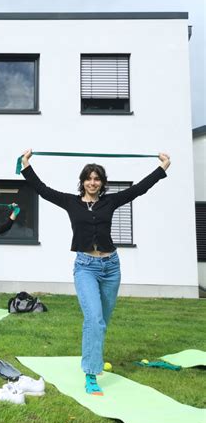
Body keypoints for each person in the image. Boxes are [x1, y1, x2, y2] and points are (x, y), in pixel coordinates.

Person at [20, 149, 170, 395]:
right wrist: (26, 166)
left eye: (97, 178)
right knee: (94, 319)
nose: (92, 182)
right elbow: (42, 190)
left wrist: (162, 167)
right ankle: (91, 374)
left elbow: (139, 189)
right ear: (83, 182)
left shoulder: (109, 202)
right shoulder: (71, 202)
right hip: (85, 267)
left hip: (111, 267)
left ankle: (95, 356)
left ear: (102, 183)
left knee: (102, 321)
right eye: (89, 178)